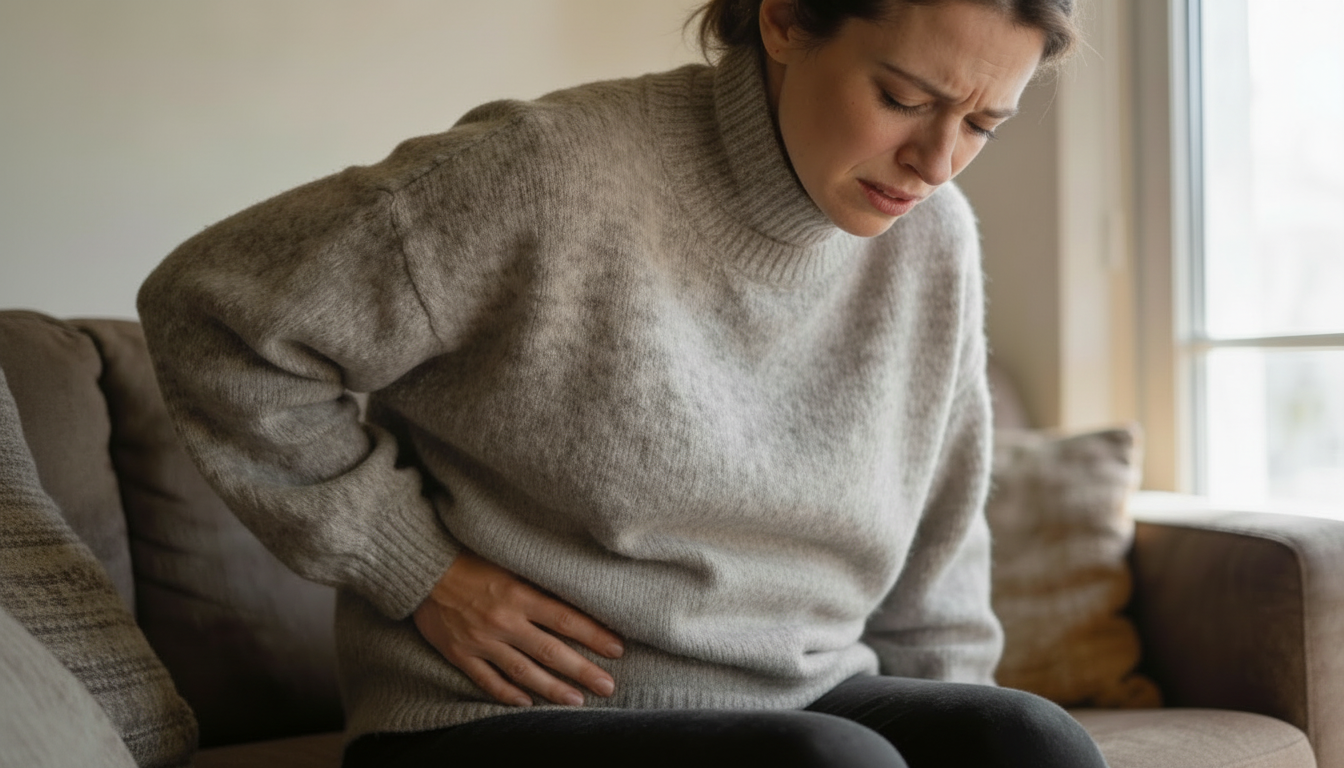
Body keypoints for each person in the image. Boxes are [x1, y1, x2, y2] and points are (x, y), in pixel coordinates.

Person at [138, 0, 1109, 766]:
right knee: (825, 764)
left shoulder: (934, 235)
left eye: (983, 123)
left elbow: (941, 532)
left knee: (1026, 742)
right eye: (903, 98)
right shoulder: (548, 168)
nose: (937, 163)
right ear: (783, 19)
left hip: (800, 697)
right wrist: (412, 565)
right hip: (500, 717)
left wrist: (953, 723)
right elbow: (211, 313)